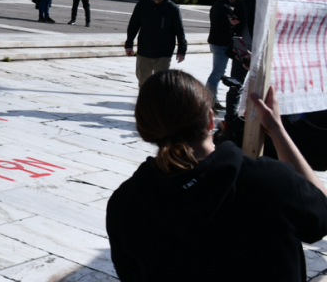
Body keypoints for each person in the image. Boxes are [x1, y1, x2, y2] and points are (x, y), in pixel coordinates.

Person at [106, 69, 327, 281]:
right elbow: (321, 216)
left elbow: (130, 274)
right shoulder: (272, 180)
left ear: (145, 130)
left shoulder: (125, 203)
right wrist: (276, 130)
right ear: (211, 119)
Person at [125, 0, 187, 86]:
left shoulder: (172, 8)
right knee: (143, 83)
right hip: (144, 51)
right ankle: (145, 103)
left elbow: (179, 30)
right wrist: (129, 44)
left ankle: (158, 103)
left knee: (160, 84)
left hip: (164, 53)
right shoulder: (142, 6)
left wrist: (182, 50)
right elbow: (133, 26)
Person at [206, 0, 240, 110]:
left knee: (217, 71)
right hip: (221, 44)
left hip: (215, 42)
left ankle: (210, 99)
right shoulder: (225, 7)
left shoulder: (216, 5)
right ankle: (209, 100)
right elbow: (229, 26)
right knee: (217, 73)